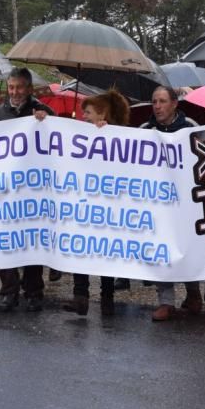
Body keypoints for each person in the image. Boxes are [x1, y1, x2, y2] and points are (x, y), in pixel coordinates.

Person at [0, 67, 53, 313]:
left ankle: (34, 291)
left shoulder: (43, 113)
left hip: (34, 190)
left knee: (32, 242)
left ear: (29, 88)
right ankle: (8, 291)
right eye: (11, 87)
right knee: (6, 240)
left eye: (19, 87)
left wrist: (46, 121)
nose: (15, 92)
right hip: (5, 189)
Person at [63, 90, 130, 317]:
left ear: (102, 113)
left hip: (107, 204)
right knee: (80, 246)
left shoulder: (117, 135)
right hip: (84, 201)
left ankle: (107, 296)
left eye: (88, 112)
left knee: (105, 252)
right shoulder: (83, 135)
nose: (84, 117)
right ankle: (80, 296)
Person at [141, 86, 203, 321]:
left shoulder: (190, 127)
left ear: (175, 103)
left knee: (186, 247)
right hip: (157, 201)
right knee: (160, 249)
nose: (157, 106)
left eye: (162, 101)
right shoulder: (145, 130)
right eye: (154, 101)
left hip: (186, 200)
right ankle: (166, 301)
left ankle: (193, 291)